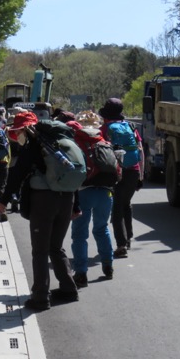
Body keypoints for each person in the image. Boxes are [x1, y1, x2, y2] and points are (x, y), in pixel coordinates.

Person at [0, 111, 80, 311]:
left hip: (44, 200)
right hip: (66, 198)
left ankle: (40, 298)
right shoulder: (60, 142)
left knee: (40, 250)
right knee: (56, 246)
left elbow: (17, 174)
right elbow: (73, 175)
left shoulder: (34, 146)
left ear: (24, 129)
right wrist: (76, 205)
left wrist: (3, 201)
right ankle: (69, 289)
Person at [66, 120, 116, 286]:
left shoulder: (77, 146)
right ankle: (108, 265)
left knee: (80, 234)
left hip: (84, 192)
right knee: (102, 229)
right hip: (105, 191)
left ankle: (81, 273)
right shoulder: (103, 143)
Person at [98, 98, 144, 258]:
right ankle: (128, 238)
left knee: (116, 207)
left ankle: (121, 244)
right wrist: (141, 175)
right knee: (126, 204)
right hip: (134, 170)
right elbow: (140, 150)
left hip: (117, 172)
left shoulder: (105, 128)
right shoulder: (130, 126)